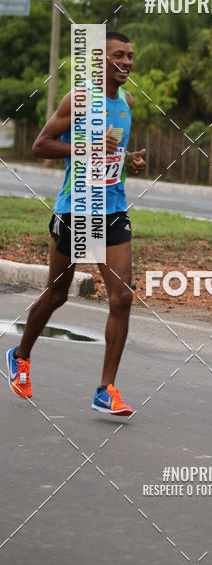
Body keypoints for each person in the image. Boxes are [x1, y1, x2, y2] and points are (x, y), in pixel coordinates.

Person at [5, 31, 146, 416]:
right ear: (99, 59)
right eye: (119, 55)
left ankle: (106, 390)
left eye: (131, 56)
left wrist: (129, 159)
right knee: (57, 294)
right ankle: (19, 354)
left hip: (113, 209)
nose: (127, 63)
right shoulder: (79, 98)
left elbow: (110, 150)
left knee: (122, 296)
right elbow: (41, 146)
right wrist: (89, 148)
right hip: (77, 208)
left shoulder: (127, 102)